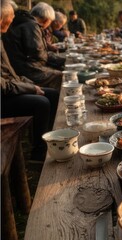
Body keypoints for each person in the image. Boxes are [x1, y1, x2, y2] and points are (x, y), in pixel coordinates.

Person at [1, 0, 59, 161]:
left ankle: (49, 136)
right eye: (10, 17)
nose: (13, 21)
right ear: (2, 19)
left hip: (14, 83)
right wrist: (30, 88)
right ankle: (38, 152)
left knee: (52, 94)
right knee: (42, 102)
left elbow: (9, 73)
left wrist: (27, 84)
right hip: (4, 98)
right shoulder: (29, 26)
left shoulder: (3, 37)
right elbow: (3, 84)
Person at [3, 2, 65, 90]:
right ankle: (56, 101)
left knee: (57, 69)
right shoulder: (32, 25)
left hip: (19, 67)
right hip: (26, 70)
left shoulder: (22, 20)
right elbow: (39, 54)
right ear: (47, 20)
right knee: (62, 75)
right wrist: (62, 60)